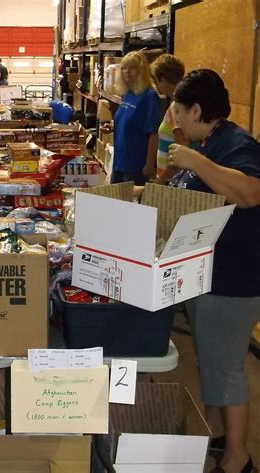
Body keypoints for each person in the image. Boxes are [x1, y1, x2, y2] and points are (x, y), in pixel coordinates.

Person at [168, 69, 260, 473]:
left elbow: (249, 193)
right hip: (208, 274)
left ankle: (238, 458)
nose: (174, 119)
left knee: (225, 367)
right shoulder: (209, 142)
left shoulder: (235, 143)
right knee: (212, 361)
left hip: (232, 279)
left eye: (178, 110)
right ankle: (217, 438)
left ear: (198, 110)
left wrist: (195, 160)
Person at [102, 51, 161, 185]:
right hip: (119, 161)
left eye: (132, 68)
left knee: (130, 204)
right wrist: (113, 126)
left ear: (142, 71)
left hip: (136, 166)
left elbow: (153, 134)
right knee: (116, 202)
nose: (127, 72)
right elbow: (131, 121)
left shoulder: (149, 97)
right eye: (124, 68)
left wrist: (149, 164)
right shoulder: (128, 93)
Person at [150, 54, 189, 183]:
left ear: (162, 79)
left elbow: (182, 149)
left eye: (155, 80)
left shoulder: (176, 107)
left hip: (171, 181)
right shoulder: (178, 103)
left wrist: (161, 180)